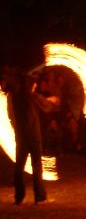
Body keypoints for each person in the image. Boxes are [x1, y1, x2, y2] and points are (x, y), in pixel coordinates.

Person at [7, 72, 58, 205]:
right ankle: (40, 197)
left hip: (21, 137)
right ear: (29, 84)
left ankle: (19, 197)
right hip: (33, 137)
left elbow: (10, 114)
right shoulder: (32, 96)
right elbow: (46, 106)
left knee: (19, 167)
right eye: (33, 82)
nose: (35, 84)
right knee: (36, 166)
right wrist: (52, 101)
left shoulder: (15, 97)